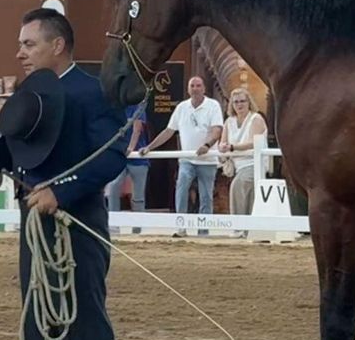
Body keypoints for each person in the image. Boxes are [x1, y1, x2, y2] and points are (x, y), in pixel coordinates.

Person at [0, 8, 126, 340]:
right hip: (35, 219)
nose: (20, 52)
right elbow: (10, 159)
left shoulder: (93, 91)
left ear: (58, 45)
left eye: (29, 44)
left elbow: (110, 157)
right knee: (39, 312)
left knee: (83, 315)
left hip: (77, 219)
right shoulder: (28, 93)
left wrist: (60, 193)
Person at [136, 75, 222, 228]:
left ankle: (204, 229)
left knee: (206, 195)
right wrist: (150, 146)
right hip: (186, 159)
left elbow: (217, 130)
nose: (195, 89)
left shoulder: (213, 105)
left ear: (204, 88)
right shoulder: (181, 107)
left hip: (207, 159)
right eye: (192, 86)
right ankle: (180, 225)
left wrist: (207, 145)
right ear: (188, 89)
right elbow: (169, 131)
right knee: (181, 187)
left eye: (198, 85)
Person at [218, 87, 267, 215]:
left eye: (242, 101)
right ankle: (243, 227)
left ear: (249, 102)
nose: (239, 104)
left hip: (253, 163)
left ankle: (240, 226)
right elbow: (222, 143)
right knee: (245, 192)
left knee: (238, 185)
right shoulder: (229, 122)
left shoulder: (256, 119)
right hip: (237, 166)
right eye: (236, 102)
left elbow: (253, 143)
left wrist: (232, 147)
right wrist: (222, 147)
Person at [105, 105, 150, 232]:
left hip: (138, 158)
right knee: (113, 187)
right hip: (120, 157)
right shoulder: (116, 107)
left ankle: (137, 229)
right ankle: (114, 225)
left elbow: (137, 129)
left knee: (138, 196)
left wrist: (130, 148)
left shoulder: (139, 107)